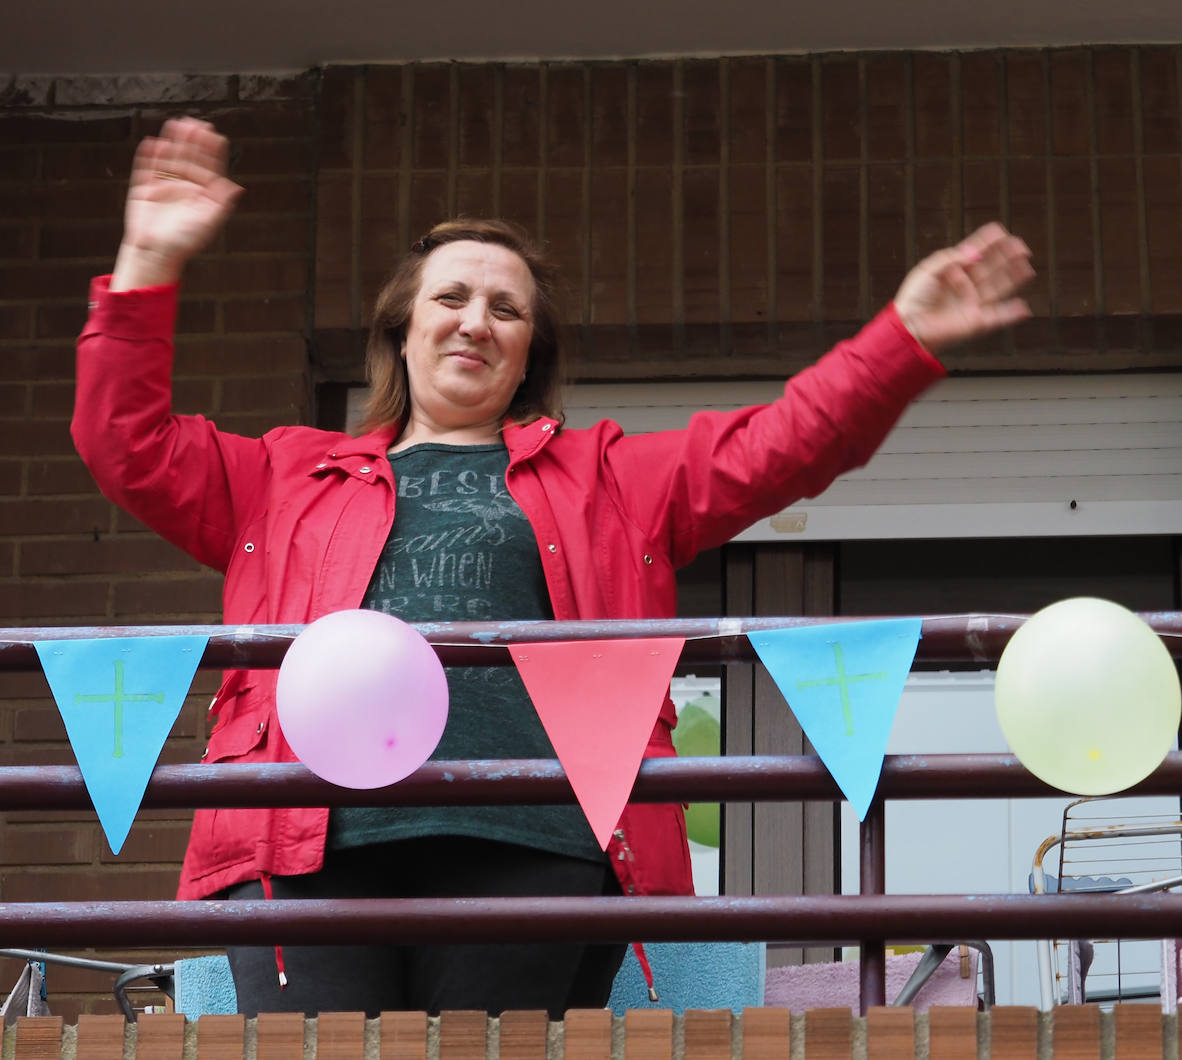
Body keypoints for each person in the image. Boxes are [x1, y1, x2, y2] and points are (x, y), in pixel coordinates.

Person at [72, 117, 1034, 1018]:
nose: (474, 322)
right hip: (306, 843)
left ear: (530, 350)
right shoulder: (280, 474)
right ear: (402, 330)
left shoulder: (613, 476)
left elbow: (785, 443)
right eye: (450, 298)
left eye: (506, 308)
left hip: (536, 841)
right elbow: (125, 443)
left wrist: (898, 344)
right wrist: (146, 263)